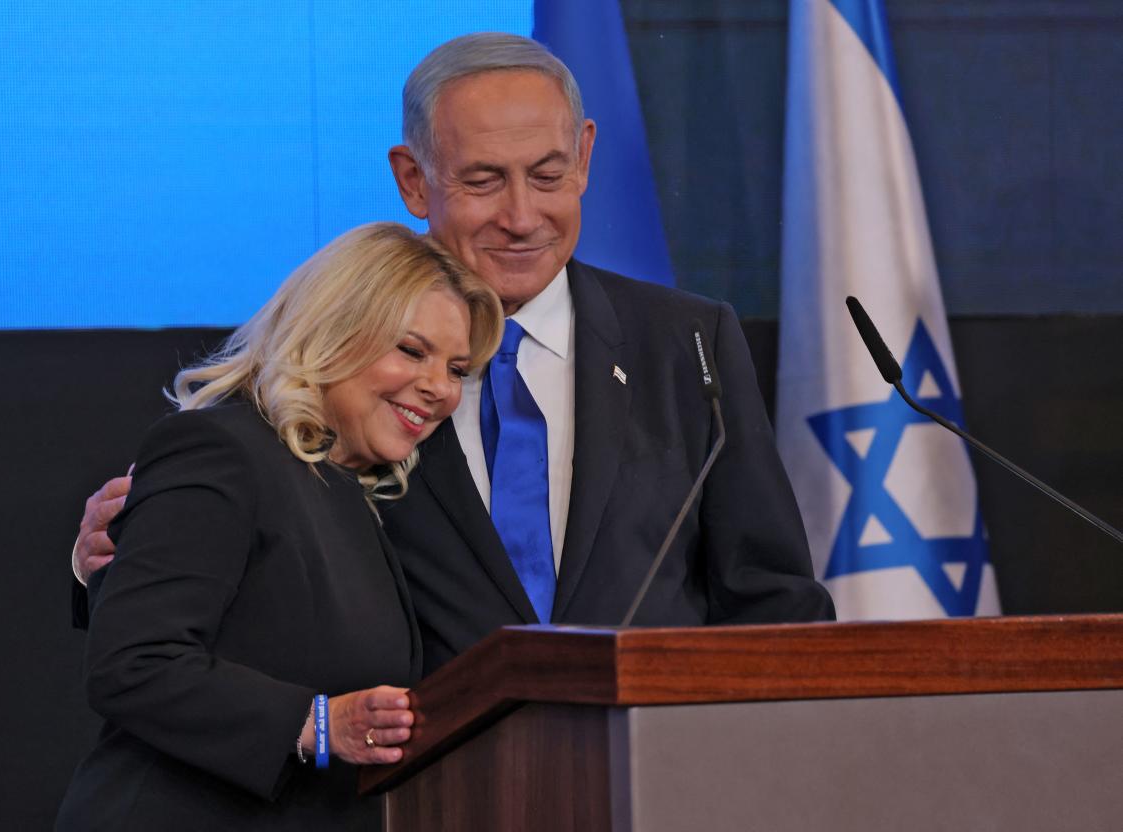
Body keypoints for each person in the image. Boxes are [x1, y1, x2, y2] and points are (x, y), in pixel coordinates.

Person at [72, 34, 834, 679]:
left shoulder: (688, 343)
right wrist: (101, 564)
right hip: (415, 794)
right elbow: (205, 599)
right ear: (413, 179)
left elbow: (772, 598)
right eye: (482, 181)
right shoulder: (335, 359)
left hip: (658, 778)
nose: (521, 216)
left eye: (547, 174)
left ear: (586, 157)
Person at [56, 222, 503, 830]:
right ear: (335, 330)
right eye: (411, 350)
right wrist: (317, 723)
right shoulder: (221, 448)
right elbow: (132, 663)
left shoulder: (355, 489)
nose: (439, 389)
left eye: (457, 369)